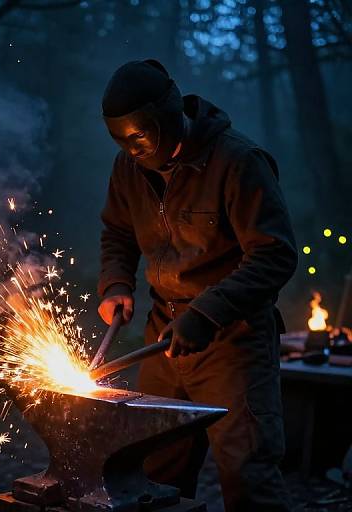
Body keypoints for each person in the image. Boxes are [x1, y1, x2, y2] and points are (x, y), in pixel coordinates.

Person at [97, 59, 297, 512]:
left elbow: (275, 255)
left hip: (232, 342)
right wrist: (115, 283)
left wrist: (206, 313)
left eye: (139, 137)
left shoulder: (237, 162)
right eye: (121, 140)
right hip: (163, 333)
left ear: (168, 118)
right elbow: (118, 232)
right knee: (153, 473)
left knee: (247, 472)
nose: (131, 150)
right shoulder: (128, 169)